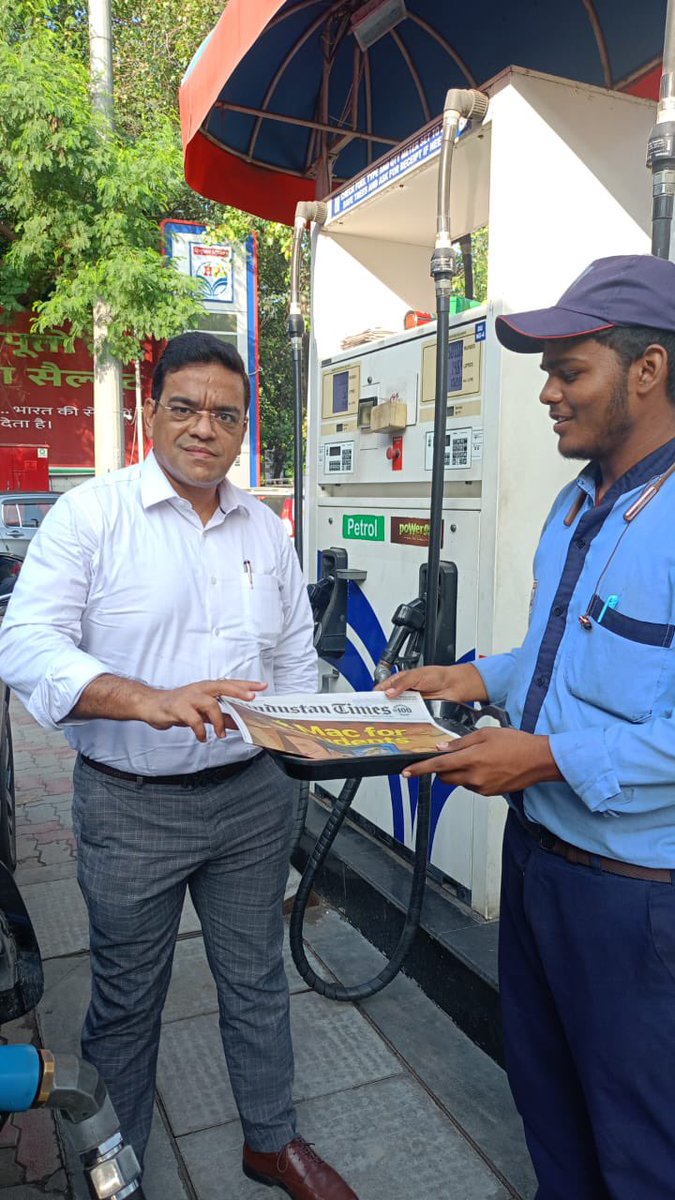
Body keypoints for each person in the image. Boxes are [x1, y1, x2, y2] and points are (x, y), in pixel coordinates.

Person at [0, 332, 358, 1200]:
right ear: (149, 410)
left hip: (252, 799)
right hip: (131, 806)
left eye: (226, 415)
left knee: (256, 975)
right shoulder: (93, 515)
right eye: (186, 406)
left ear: (243, 432)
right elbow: (24, 641)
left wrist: (316, 741)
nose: (205, 427)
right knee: (126, 999)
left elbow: (291, 656)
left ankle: (270, 1141)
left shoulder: (263, 530)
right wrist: (143, 699)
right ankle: (112, 1168)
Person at [380, 255, 675, 1200]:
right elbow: (571, 659)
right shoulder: (576, 501)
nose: (546, 393)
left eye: (568, 369)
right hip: (537, 863)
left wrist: (543, 756)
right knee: (549, 1111)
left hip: (636, 901)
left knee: (641, 1146)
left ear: (648, 369)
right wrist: (474, 674)